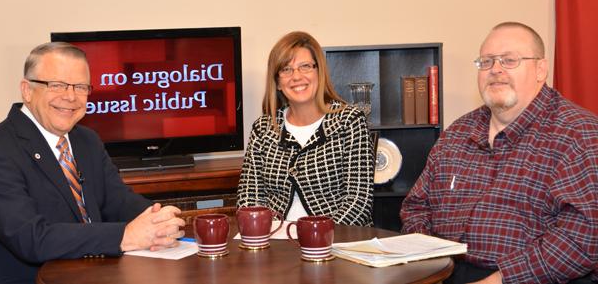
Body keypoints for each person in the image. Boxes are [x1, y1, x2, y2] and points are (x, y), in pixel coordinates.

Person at [0, 42, 186, 284]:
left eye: (80, 87)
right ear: (27, 90)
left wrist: (158, 219)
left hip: (95, 272)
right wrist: (125, 235)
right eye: (57, 85)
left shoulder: (86, 140)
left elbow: (117, 201)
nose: (70, 97)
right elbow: (31, 239)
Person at [400, 22, 598, 284]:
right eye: (486, 61)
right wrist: (428, 262)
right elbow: (416, 207)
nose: (495, 70)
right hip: (444, 272)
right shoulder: (459, 132)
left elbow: (583, 237)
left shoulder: (579, 133)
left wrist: (498, 280)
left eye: (509, 60)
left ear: (541, 69)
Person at [236, 31, 374, 226]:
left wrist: (316, 235)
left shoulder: (349, 122)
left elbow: (359, 202)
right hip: (276, 242)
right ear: (277, 82)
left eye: (305, 67)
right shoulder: (263, 129)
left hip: (336, 241)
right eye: (286, 69)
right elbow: (248, 199)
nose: (296, 77)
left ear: (319, 72)